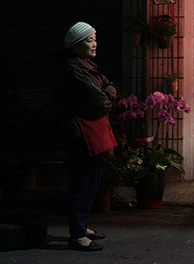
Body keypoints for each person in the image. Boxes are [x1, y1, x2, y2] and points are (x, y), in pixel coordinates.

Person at [56, 22, 118, 252]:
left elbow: (109, 87)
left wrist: (107, 93)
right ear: (75, 45)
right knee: (83, 182)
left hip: (92, 131)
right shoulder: (74, 69)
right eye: (89, 40)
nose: (94, 44)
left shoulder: (86, 65)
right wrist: (107, 96)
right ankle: (77, 234)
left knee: (92, 181)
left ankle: (83, 226)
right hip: (81, 133)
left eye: (94, 39)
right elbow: (100, 102)